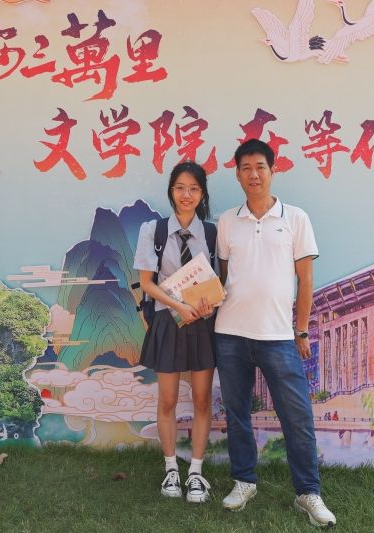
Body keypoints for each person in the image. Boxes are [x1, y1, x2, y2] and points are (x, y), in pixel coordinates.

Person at [215, 139, 336, 527]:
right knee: (237, 414)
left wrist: (301, 330)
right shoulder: (227, 221)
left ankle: (308, 493)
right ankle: (244, 481)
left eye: (260, 167)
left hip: (279, 336)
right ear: (237, 174)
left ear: (272, 170)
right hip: (230, 333)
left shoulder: (296, 218)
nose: (253, 174)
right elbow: (223, 277)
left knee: (297, 417)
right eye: (246, 168)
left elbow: (306, 281)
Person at [134, 161, 216, 503]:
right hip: (168, 321)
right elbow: (146, 283)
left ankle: (195, 472)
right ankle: (171, 469)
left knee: (202, 400)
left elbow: (219, 281)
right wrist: (178, 306)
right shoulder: (153, 231)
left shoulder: (211, 233)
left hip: (202, 324)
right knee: (167, 400)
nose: (187, 195)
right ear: (171, 191)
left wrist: (208, 305)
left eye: (194, 189)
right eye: (181, 187)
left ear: (202, 194)